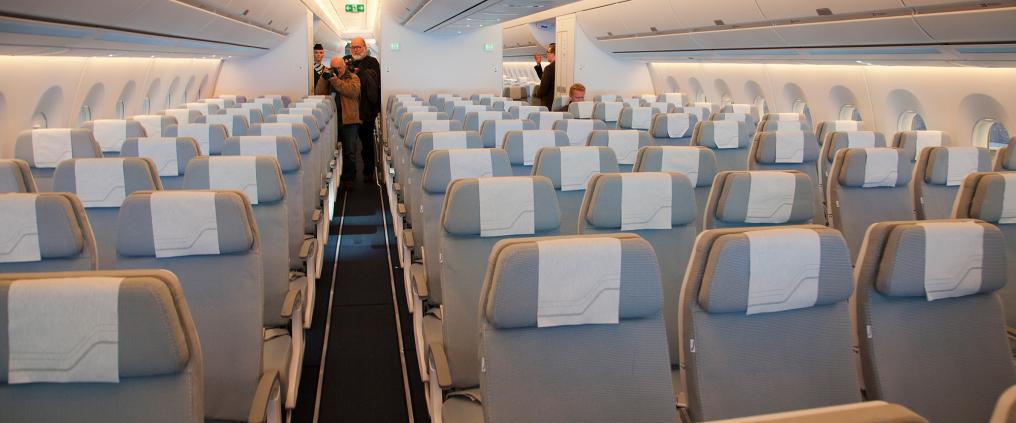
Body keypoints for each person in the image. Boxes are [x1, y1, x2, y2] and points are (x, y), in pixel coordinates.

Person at [314, 57, 361, 189]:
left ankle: (349, 179)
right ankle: (337, 179)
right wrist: (324, 78)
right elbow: (318, 93)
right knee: (333, 150)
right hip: (331, 120)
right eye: (334, 68)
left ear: (344, 66)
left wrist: (335, 80)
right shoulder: (328, 78)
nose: (337, 70)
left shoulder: (353, 77)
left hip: (349, 119)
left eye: (339, 68)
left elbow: (352, 91)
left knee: (350, 151)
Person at [344, 37, 382, 178]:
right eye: (353, 47)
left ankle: (368, 172)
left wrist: (361, 73)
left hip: (366, 111)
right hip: (350, 111)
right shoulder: (346, 62)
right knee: (349, 146)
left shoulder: (372, 63)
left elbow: (375, 84)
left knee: (367, 144)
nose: (356, 49)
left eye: (358, 47)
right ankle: (350, 175)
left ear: (365, 47)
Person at [534, 43, 556, 109]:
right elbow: (544, 78)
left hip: (548, 102)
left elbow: (543, 88)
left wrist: (537, 94)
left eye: (547, 52)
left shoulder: (549, 68)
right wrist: (538, 64)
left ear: (553, 53)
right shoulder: (559, 66)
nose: (546, 54)